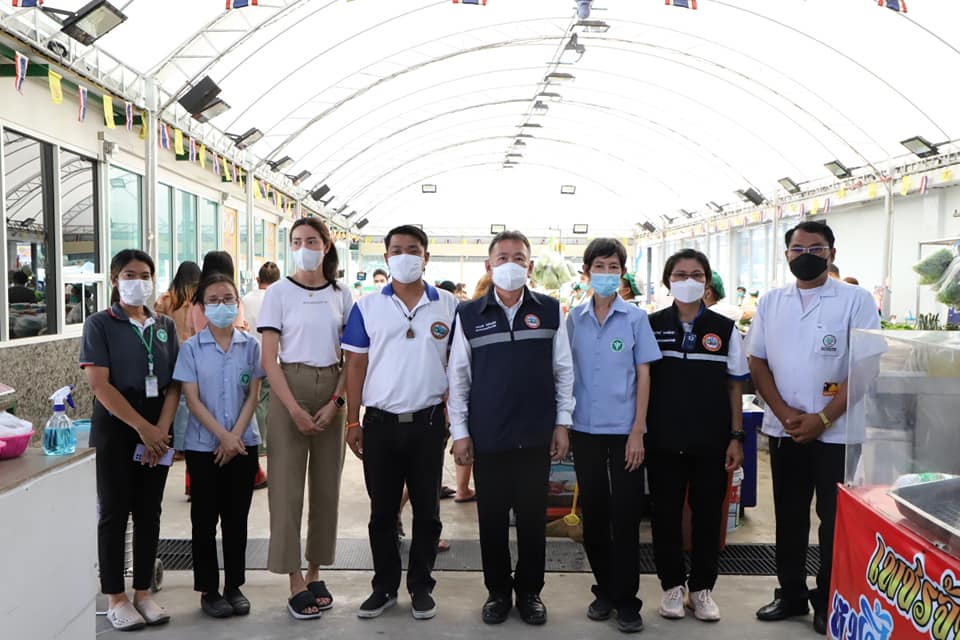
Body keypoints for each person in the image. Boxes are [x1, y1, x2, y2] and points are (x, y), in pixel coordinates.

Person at [748, 221, 880, 635]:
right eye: (798, 249)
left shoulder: (856, 300)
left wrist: (823, 418)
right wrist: (784, 412)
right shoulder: (772, 302)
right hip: (785, 429)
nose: (806, 256)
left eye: (816, 249)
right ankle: (790, 593)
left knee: (833, 519)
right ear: (787, 254)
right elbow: (757, 361)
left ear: (832, 254)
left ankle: (828, 599)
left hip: (837, 434)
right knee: (789, 517)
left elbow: (866, 366)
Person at [448, 230, 574, 626]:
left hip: (536, 435)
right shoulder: (469, 315)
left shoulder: (550, 311)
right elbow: (458, 377)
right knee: (492, 520)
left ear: (530, 266)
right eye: (502, 258)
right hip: (489, 436)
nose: (510, 264)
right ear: (489, 266)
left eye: (518, 258)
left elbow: (563, 370)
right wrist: (460, 432)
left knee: (533, 521)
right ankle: (498, 592)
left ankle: (530, 592)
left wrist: (562, 422)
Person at [342, 225, 459, 620]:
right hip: (380, 424)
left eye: (413, 249)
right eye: (397, 250)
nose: (405, 256)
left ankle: (421, 586)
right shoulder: (367, 307)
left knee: (428, 511)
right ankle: (384, 587)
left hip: (428, 423)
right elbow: (355, 365)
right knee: (382, 512)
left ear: (426, 257)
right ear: (386, 257)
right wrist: (352, 421)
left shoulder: (448, 305)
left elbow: (458, 366)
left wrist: (457, 420)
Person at [646, 249, 750, 623]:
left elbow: (735, 386)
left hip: (712, 440)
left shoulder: (724, 329)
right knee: (665, 516)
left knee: (708, 516)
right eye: (680, 274)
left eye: (696, 274)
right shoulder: (651, 325)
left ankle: (702, 589)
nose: (688, 281)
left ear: (707, 282)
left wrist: (736, 436)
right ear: (667, 281)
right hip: (663, 439)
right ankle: (672, 586)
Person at [80, 249, 181, 631]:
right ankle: (115, 597)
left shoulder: (164, 325)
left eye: (144, 275)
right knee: (114, 511)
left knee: (149, 510)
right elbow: (99, 385)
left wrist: (161, 430)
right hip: (117, 427)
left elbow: (175, 384)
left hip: (158, 429)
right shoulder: (99, 324)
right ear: (114, 280)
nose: (138, 282)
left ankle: (143, 592)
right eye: (129, 275)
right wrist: (143, 428)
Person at [257, 217, 353, 621]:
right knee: (285, 487)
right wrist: (293, 408)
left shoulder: (341, 294)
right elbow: (268, 358)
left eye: (311, 241)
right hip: (288, 385)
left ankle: (315, 570)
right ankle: (293, 576)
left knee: (327, 486)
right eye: (296, 241)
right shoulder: (279, 293)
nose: (303, 248)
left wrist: (336, 401)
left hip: (332, 385)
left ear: (326, 245)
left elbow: (352, 356)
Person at [567, 238, 661, 633]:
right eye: (599, 267)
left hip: (625, 431)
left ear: (622, 273)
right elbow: (565, 372)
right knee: (594, 514)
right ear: (586, 272)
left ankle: (627, 600)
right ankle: (604, 589)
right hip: (584, 429)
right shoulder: (574, 319)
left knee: (625, 517)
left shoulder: (635, 319)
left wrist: (638, 429)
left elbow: (644, 374)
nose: (606, 274)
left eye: (613, 267)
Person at [173, 273, 264, 619]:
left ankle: (234, 586)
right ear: (200, 307)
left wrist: (234, 436)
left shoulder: (250, 346)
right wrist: (221, 436)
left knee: (237, 520)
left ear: (237, 303)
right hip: (203, 447)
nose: (221, 305)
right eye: (213, 300)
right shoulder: (191, 349)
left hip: (243, 445)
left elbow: (253, 395)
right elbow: (192, 399)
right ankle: (209, 590)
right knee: (204, 520)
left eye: (228, 299)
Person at [155, 261, 202, 457]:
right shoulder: (200, 300)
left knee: (175, 398)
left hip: (170, 353)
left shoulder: (166, 300)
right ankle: (187, 442)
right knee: (193, 398)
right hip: (196, 353)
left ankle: (177, 444)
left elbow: (156, 328)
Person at [243, 261, 281, 460]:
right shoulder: (278, 299)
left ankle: (257, 440)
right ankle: (264, 442)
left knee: (254, 399)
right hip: (274, 359)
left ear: (258, 279)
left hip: (250, 357)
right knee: (269, 402)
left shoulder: (245, 299)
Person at [188, 251, 249, 335]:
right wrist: (245, 331)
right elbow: (237, 333)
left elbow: (191, 332)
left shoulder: (195, 301)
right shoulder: (231, 302)